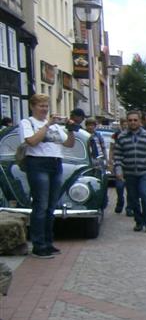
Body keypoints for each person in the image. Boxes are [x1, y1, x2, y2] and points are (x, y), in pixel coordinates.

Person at [19, 93, 76, 258]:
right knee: (41, 205)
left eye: (46, 106)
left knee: (51, 206)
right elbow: (32, 142)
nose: (44, 109)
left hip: (55, 163)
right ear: (33, 107)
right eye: (41, 106)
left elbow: (69, 144)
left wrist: (71, 130)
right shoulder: (27, 122)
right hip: (37, 163)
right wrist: (47, 125)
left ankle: (48, 242)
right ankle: (38, 245)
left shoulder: (55, 126)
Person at [113, 110, 146, 232]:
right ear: (127, 122)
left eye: (135, 120)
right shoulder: (122, 137)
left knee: (144, 194)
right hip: (129, 173)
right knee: (133, 199)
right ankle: (138, 221)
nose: (133, 122)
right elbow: (117, 155)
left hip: (145, 171)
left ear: (140, 121)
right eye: (130, 120)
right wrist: (118, 170)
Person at [83, 118, 108, 210]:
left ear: (95, 126)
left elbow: (103, 147)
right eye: (88, 125)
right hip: (88, 160)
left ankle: (103, 200)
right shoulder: (84, 135)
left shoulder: (98, 135)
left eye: (92, 125)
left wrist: (106, 159)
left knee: (101, 179)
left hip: (98, 159)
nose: (90, 127)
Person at [110, 117, 129, 214]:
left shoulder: (132, 134)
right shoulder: (116, 135)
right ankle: (120, 201)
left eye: (126, 123)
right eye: (123, 124)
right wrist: (110, 161)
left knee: (130, 187)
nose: (125, 125)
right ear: (121, 125)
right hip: (119, 163)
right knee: (119, 186)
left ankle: (129, 207)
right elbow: (112, 148)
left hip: (130, 164)